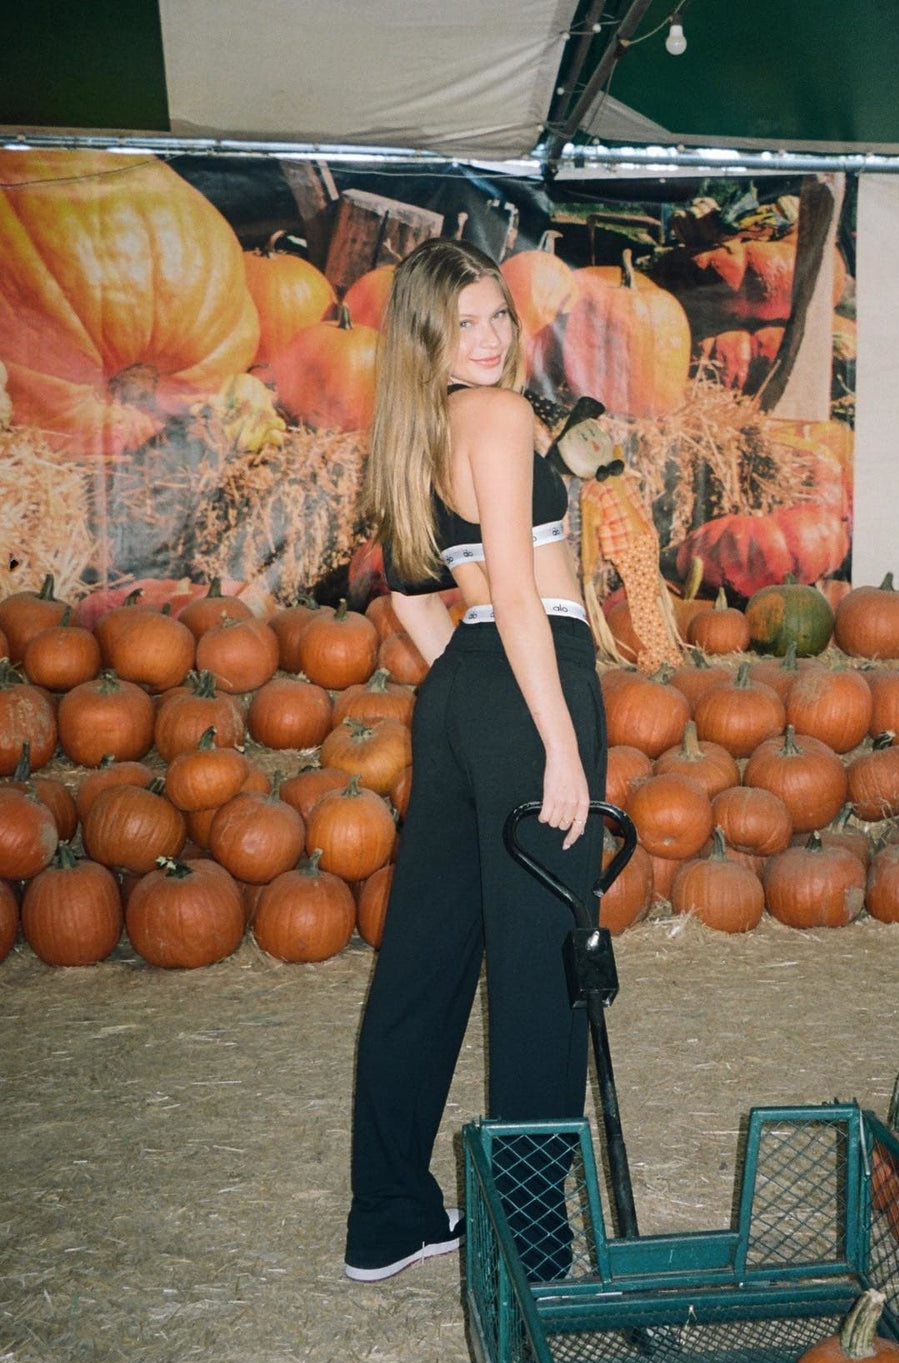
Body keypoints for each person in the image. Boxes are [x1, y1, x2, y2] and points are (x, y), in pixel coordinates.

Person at [343, 238, 607, 1283]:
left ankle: (389, 1220)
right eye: (468, 324)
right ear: (428, 335)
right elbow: (507, 575)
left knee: (423, 964)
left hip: (461, 692)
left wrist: (473, 684)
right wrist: (552, 741)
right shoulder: (497, 417)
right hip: (529, 675)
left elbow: (412, 590)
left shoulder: (416, 429)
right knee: (546, 968)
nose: (493, 338)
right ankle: (535, 1244)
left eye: (501, 315)